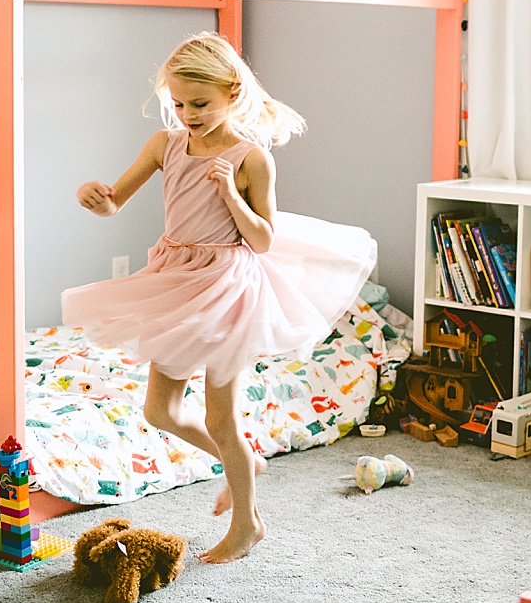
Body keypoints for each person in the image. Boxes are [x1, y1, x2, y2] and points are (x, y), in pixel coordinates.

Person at [63, 32, 375, 563]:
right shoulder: (165, 144)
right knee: (160, 410)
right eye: (179, 103)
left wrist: (229, 192)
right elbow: (114, 202)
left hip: (227, 284)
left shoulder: (252, 159)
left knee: (221, 417)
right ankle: (244, 463)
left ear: (232, 93)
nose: (187, 114)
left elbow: (263, 239)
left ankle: (246, 524)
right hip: (176, 276)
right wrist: (94, 198)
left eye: (200, 104)